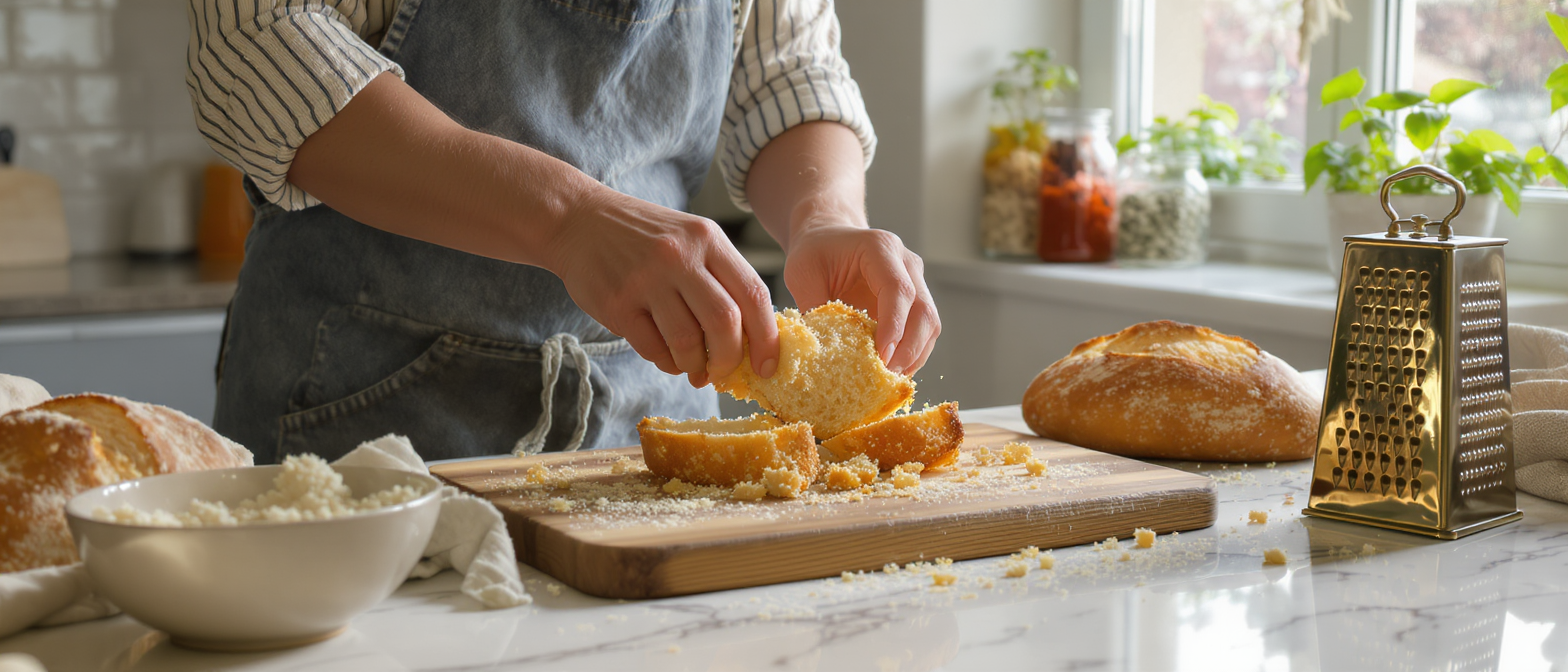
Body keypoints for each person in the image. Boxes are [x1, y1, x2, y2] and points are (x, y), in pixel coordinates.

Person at [186, 0, 940, 463]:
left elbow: (787, 67)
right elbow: (260, 41)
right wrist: (567, 218)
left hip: (653, 409)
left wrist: (825, 218)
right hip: (359, 416)